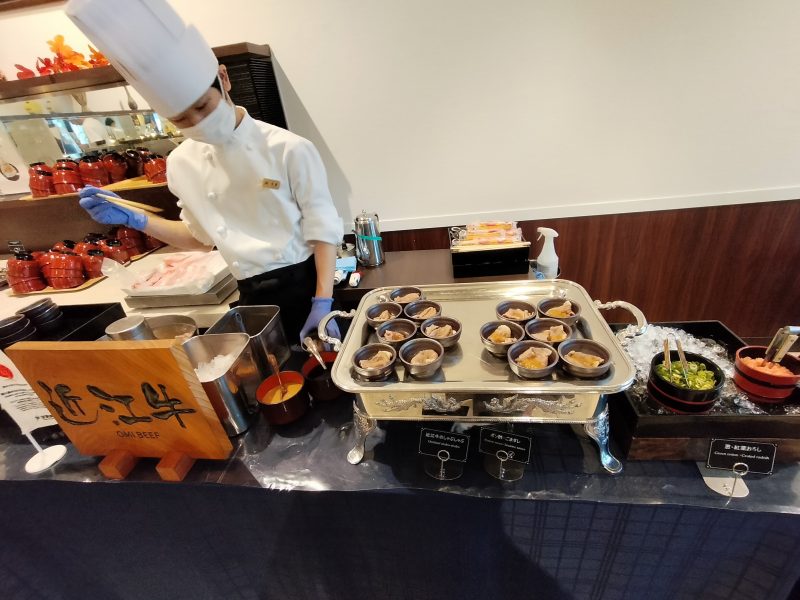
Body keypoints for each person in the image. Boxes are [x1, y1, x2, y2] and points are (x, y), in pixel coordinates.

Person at [66, 0, 343, 344]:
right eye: (182, 119)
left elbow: (323, 232)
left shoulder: (289, 148)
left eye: (203, 106)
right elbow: (200, 238)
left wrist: (323, 302)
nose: (198, 122)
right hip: (251, 296)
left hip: (307, 287)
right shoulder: (181, 162)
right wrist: (137, 220)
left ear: (223, 79)